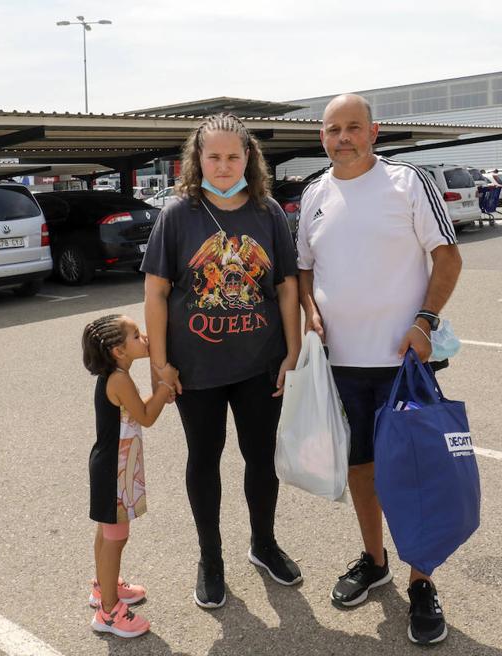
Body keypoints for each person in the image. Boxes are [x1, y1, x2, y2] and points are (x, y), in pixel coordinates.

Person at [296, 94, 462, 645]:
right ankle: (375, 559)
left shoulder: (408, 183)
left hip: (402, 365)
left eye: (352, 128)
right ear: (322, 136)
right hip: (341, 367)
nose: (341, 137)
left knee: (413, 474)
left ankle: (422, 581)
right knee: (361, 469)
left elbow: (448, 256)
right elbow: (304, 269)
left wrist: (424, 322)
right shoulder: (314, 193)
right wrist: (311, 310)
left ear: (374, 132)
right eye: (331, 129)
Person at [141, 113, 303, 610]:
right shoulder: (178, 214)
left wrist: (293, 349)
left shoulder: (268, 211)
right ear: (197, 159)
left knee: (261, 459)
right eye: (214, 156)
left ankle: (263, 544)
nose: (225, 165)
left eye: (234, 156)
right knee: (204, 461)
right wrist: (160, 367)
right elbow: (156, 292)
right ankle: (211, 559)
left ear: (249, 158)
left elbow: (285, 284)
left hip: (260, 363)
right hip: (197, 371)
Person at [82, 314, 174, 638]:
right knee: (116, 538)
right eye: (136, 335)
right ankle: (108, 613)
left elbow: (138, 411)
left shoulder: (117, 374)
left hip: (112, 465)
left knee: (108, 534)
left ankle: (102, 588)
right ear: (119, 350)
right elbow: (146, 416)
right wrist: (165, 387)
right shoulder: (118, 380)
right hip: (113, 470)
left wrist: (160, 392)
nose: (145, 337)